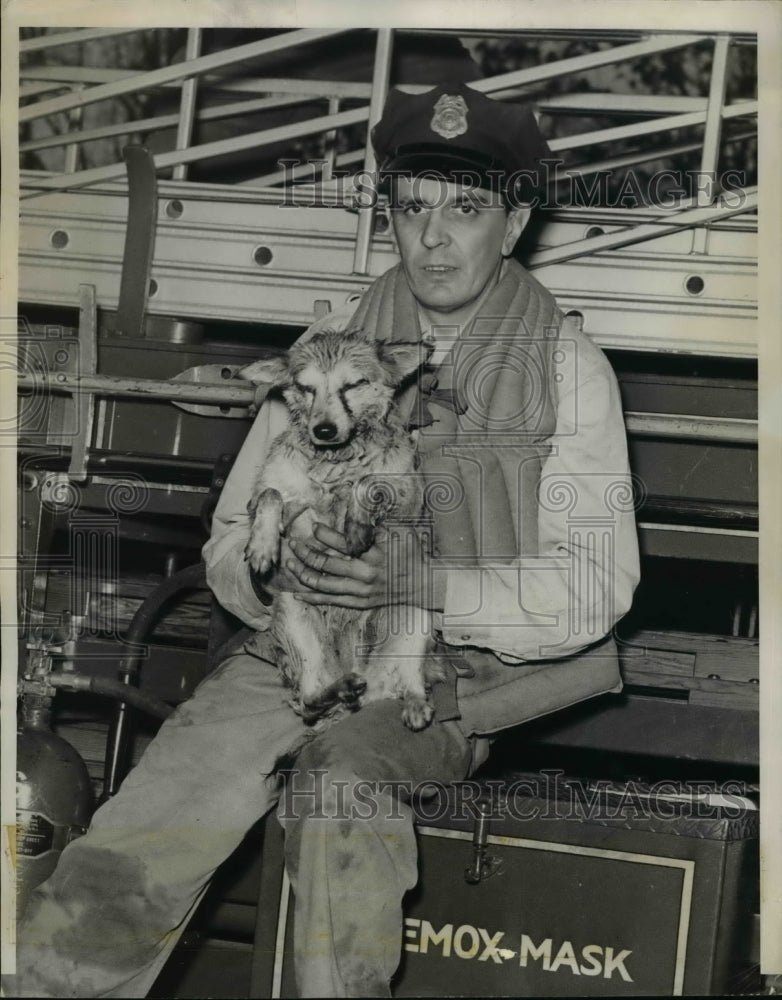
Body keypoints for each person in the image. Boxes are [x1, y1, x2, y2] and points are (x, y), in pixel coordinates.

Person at [12, 81, 640, 998]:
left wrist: (421, 584)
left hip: (452, 667)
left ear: (513, 223)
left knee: (339, 790)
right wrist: (278, 580)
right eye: (411, 208)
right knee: (146, 824)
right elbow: (233, 540)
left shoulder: (569, 372)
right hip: (298, 647)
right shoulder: (327, 350)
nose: (431, 239)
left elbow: (596, 588)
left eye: (464, 210)